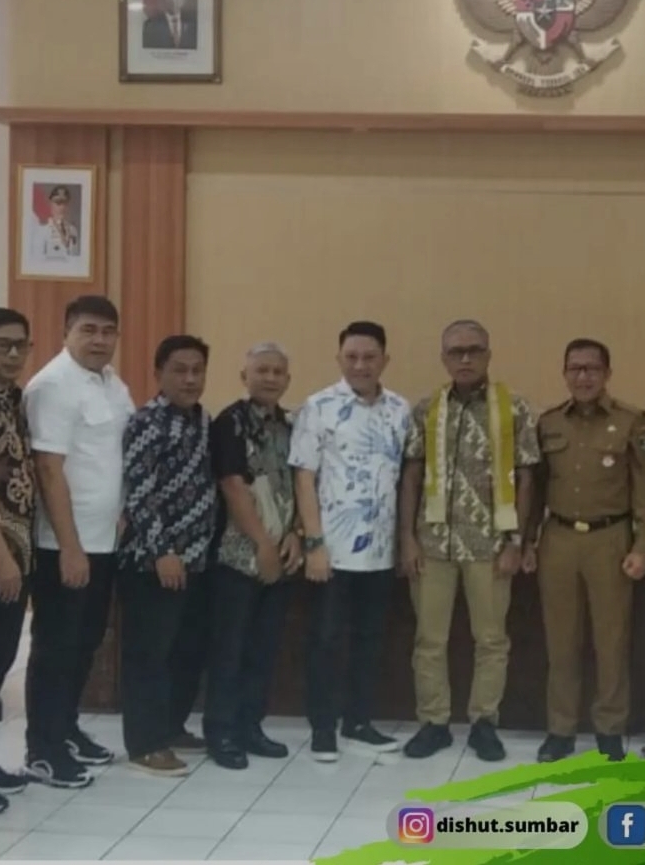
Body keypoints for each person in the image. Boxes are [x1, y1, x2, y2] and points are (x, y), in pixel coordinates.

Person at [398, 320, 540, 762]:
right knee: (429, 639)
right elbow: (412, 475)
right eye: (455, 351)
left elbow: (527, 477)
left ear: (488, 355)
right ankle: (434, 722)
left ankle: (484, 722)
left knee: (491, 639)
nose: (465, 359)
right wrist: (407, 538)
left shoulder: (514, 409)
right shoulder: (427, 410)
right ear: (443, 358)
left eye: (474, 350)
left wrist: (516, 540)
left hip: (491, 545)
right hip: (433, 543)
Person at [527, 339, 645, 764]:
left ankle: (610, 728)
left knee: (611, 641)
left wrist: (643, 544)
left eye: (592, 369)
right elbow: (537, 488)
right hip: (559, 539)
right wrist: (528, 541)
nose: (583, 377)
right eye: (575, 369)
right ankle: (560, 729)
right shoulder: (549, 423)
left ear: (607, 374)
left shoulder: (630, 422)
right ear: (565, 373)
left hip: (610, 539)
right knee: (561, 642)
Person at [23, 295, 135, 789]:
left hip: (104, 540)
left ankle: (66, 730)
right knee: (56, 647)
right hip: (63, 545)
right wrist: (69, 546)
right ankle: (42, 750)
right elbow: (49, 469)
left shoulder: (112, 383)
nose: (99, 340)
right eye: (88, 330)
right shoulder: (53, 385)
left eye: (108, 331)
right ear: (66, 332)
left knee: (85, 643)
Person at [289, 322, 411, 762]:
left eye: (369, 357)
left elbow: (404, 478)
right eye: (352, 357)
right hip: (332, 551)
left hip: (380, 551)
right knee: (325, 640)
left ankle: (359, 722)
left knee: (369, 640)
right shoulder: (318, 406)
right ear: (339, 359)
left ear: (384, 360)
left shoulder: (400, 409)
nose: (360, 365)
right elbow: (304, 477)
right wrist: (314, 543)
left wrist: (404, 543)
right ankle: (323, 728)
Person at [118, 336, 216, 777]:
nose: (190, 379)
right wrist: (163, 551)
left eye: (197, 370)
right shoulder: (146, 423)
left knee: (185, 651)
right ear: (158, 373)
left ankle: (171, 727)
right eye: (180, 370)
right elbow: (140, 494)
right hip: (153, 562)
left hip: (196, 562)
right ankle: (145, 744)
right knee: (149, 655)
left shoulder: (203, 421)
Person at [203, 343, 301, 770]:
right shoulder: (230, 423)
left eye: (278, 372)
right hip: (238, 557)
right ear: (245, 377)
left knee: (263, 649)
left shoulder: (291, 426)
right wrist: (262, 545)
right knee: (230, 649)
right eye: (262, 370)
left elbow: (300, 483)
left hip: (282, 556)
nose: (270, 378)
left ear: (288, 380)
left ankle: (250, 727)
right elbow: (232, 486)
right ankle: (221, 732)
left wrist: (296, 534)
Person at [0, 309, 35, 814]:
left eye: (21, 345)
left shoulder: (13, 398)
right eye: (3, 345)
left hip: (16, 554)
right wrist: (0, 553)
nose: (14, 354)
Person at [34, 186, 79, 262]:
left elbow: (75, 258)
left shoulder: (73, 230)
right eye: (58, 203)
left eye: (65, 203)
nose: (62, 207)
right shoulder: (42, 230)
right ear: (51, 204)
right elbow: (37, 260)